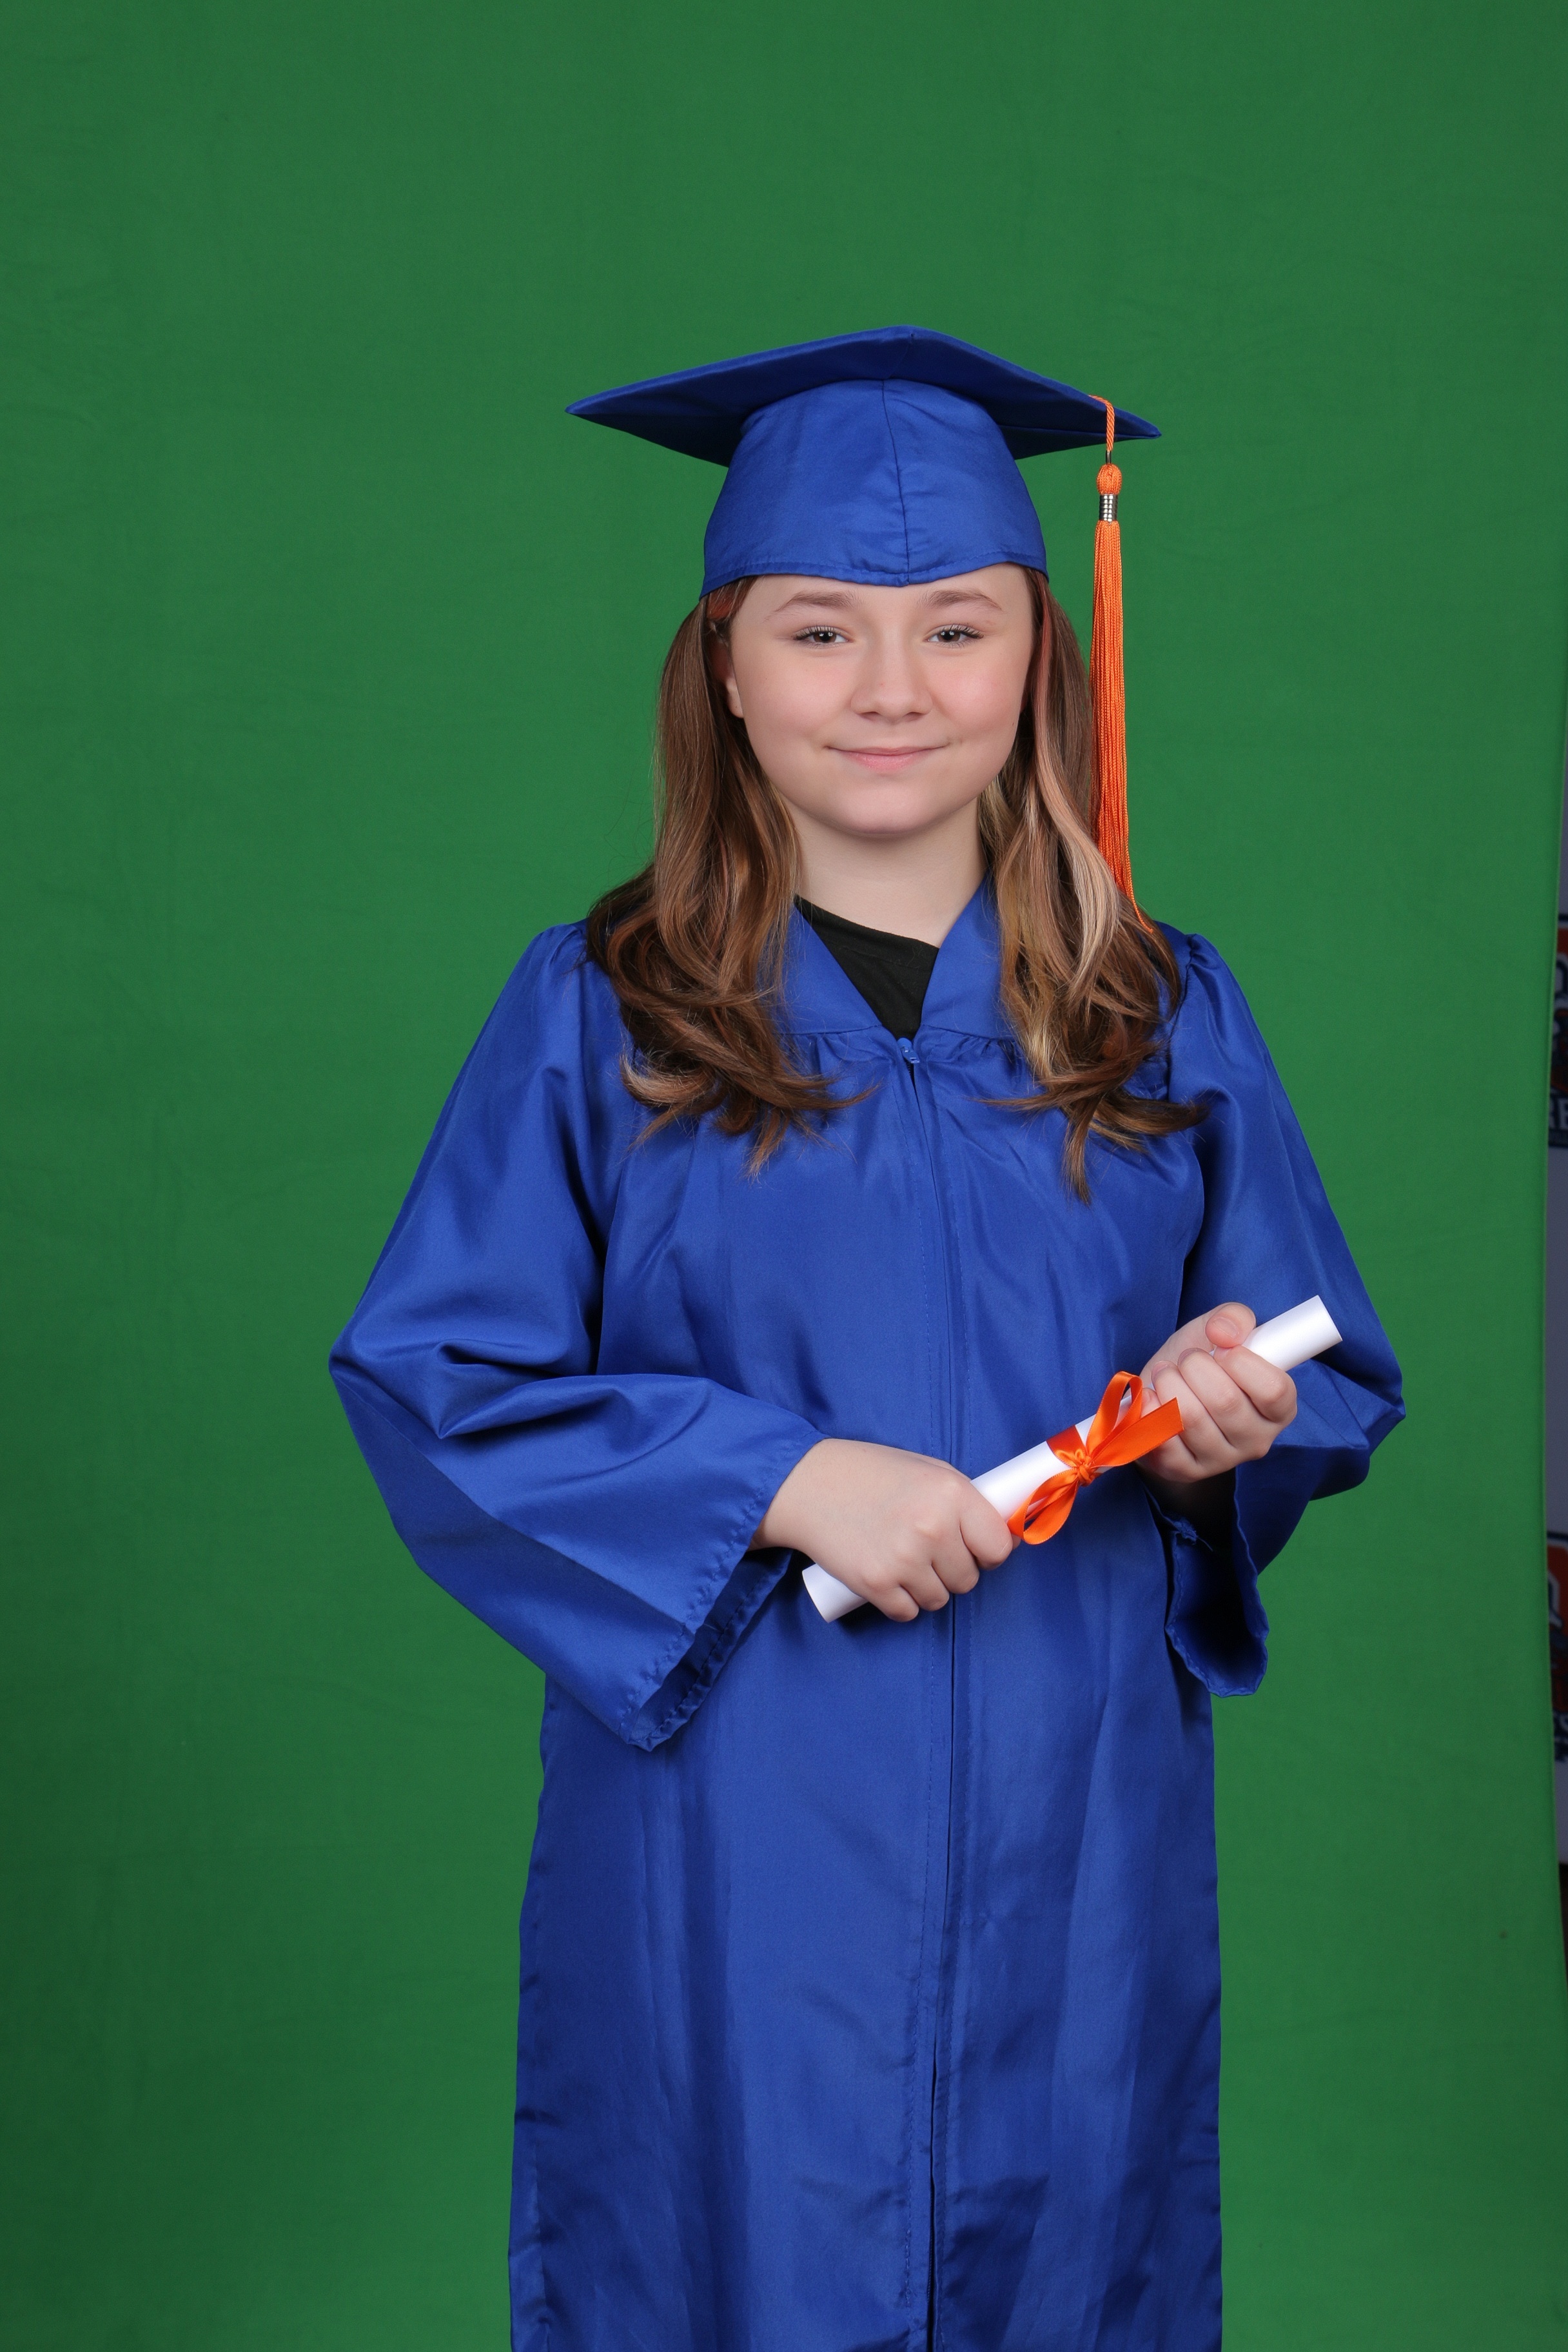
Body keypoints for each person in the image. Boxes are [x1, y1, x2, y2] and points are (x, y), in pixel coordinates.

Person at [330, 327, 1402, 2352]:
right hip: (738, 1834)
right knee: (735, 2253)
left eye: (956, 629)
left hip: (1080, 1827)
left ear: (1039, 663)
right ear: (726, 669)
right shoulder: (606, 1011)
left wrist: (1223, 1427)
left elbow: (1322, 1364)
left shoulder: (1160, 1013)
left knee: (1073, 2260)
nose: (892, 687)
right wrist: (786, 1477)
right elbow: (438, 1375)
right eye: (821, 631)